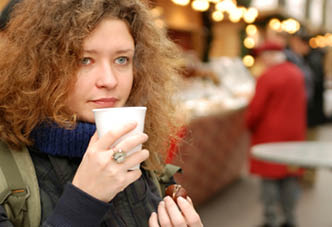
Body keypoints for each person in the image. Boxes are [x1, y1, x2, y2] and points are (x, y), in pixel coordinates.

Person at [0, 0, 203, 226]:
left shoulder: (141, 154)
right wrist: (85, 198)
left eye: (121, 59)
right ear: (39, 67)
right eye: (84, 60)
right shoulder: (7, 172)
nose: (109, 80)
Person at [246, 41, 307, 227]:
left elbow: (255, 110)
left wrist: (248, 124)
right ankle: (290, 218)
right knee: (290, 176)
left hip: (270, 135)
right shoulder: (296, 73)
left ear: (269, 56)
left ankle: (270, 219)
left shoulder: (267, 77)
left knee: (270, 178)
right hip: (294, 134)